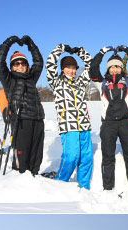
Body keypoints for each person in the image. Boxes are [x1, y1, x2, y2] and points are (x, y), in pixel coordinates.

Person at [89, 47, 128, 191]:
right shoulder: (102, 83)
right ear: (108, 69)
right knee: (108, 156)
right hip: (108, 124)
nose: (115, 70)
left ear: (121, 68)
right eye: (112, 67)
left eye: (117, 66)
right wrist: (101, 53)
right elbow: (93, 68)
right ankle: (108, 188)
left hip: (126, 123)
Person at [46, 45, 94, 189]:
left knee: (86, 158)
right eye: (68, 67)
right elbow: (50, 64)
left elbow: (91, 64)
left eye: (74, 67)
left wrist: (80, 52)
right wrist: (61, 49)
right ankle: (61, 183)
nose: (72, 70)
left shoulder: (80, 82)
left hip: (84, 126)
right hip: (69, 126)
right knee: (71, 157)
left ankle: (84, 186)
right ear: (62, 68)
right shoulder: (57, 83)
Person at [0, 36, 44, 174]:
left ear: (27, 66)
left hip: (38, 119)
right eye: (16, 64)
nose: (20, 66)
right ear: (11, 67)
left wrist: (31, 45)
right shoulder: (9, 80)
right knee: (22, 157)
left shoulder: (32, 78)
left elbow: (39, 62)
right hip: (21, 121)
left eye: (23, 63)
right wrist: (9, 42)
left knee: (36, 156)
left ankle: (35, 179)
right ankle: (19, 180)